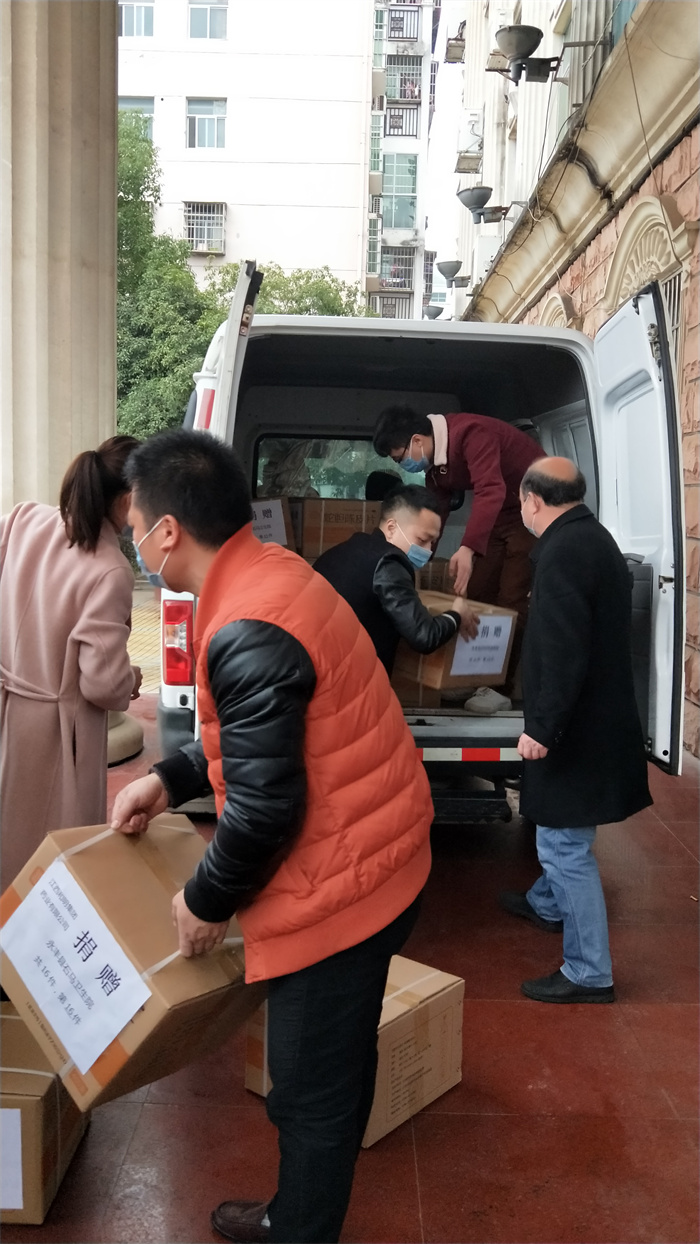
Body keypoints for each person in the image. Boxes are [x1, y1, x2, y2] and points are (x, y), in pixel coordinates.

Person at [110, 429, 433, 1244]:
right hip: (379, 853)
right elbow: (264, 735)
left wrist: (205, 899)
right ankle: (296, 1210)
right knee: (330, 1066)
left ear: (168, 532)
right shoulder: (272, 575)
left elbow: (263, 809)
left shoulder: (249, 621)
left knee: (309, 1093)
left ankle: (300, 1227)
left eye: (134, 526)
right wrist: (169, 779)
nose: (133, 540)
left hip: (344, 891)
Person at [499, 457, 652, 1003]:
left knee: (564, 845)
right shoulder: (593, 538)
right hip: (594, 721)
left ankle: (589, 972)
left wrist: (543, 727)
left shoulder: (563, 552)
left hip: (574, 728)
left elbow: (564, 651)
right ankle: (546, 903)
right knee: (565, 831)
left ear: (532, 500)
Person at [0, 436, 142, 885]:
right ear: (128, 499)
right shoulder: (110, 568)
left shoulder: (24, 520)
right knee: (51, 859)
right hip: (57, 735)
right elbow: (103, 684)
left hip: (7, 705)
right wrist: (131, 678)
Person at [372, 405, 542, 713]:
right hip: (499, 514)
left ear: (416, 441)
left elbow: (490, 489)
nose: (403, 464)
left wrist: (467, 548)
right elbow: (434, 512)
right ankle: (471, 676)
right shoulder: (434, 467)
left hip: (531, 512)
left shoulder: (472, 434)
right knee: (476, 592)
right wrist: (413, 559)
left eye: (399, 458)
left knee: (511, 598)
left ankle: (498, 688)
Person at [314, 484, 479, 676]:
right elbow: (424, 636)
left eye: (432, 542)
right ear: (391, 528)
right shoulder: (389, 563)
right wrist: (456, 614)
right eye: (422, 539)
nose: (428, 550)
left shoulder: (340, 551)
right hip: (348, 680)